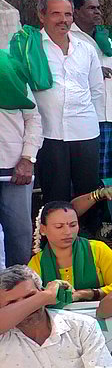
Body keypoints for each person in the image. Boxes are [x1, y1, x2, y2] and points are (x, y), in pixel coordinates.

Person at [28, 0, 104, 209]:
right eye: (56, 14)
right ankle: (54, 241)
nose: (63, 20)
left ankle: (89, 239)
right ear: (42, 16)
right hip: (49, 133)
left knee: (89, 194)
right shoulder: (30, 47)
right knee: (55, 194)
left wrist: (93, 123)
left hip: (86, 132)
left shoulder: (85, 48)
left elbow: (97, 90)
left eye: (68, 14)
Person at [69, 0, 112, 180]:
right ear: (76, 11)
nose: (98, 12)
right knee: (91, 179)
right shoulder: (69, 38)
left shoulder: (105, 38)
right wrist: (95, 73)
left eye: (98, 8)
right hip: (91, 119)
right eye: (91, 8)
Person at [29, 202, 112, 303]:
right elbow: (30, 299)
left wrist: (85, 294)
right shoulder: (37, 263)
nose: (68, 232)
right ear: (43, 229)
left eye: (73, 225)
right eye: (59, 226)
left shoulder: (98, 249)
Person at [0, 48, 40, 266]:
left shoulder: (11, 66)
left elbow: (33, 118)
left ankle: (20, 290)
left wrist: (28, 158)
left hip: (15, 169)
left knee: (19, 235)